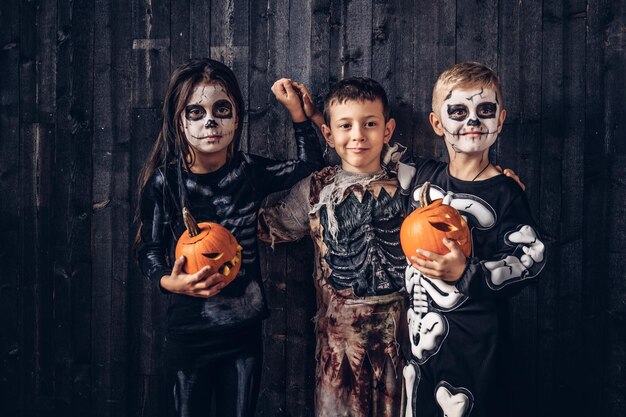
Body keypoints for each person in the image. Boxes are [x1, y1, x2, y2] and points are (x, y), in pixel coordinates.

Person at [135, 58, 323, 417]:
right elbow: (149, 250)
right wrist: (169, 282)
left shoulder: (249, 171)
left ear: (236, 119)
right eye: (196, 112)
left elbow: (308, 165)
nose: (210, 121)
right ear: (180, 122)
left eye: (221, 110)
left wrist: (299, 115)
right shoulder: (165, 183)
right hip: (189, 334)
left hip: (243, 333)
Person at [258, 77, 410, 417]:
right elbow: (270, 224)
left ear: (387, 130)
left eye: (370, 124)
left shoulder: (408, 182)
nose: (358, 135)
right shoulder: (317, 189)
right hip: (338, 347)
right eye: (346, 126)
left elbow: (456, 197)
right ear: (329, 134)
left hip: (402, 342)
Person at [402, 62, 546, 417]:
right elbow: (366, 151)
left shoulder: (505, 192)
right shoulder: (422, 177)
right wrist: (314, 120)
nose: (473, 121)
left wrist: (468, 270)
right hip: (419, 341)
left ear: (500, 119)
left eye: (485, 110)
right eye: (458, 111)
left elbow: (533, 257)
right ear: (437, 123)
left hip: (476, 345)